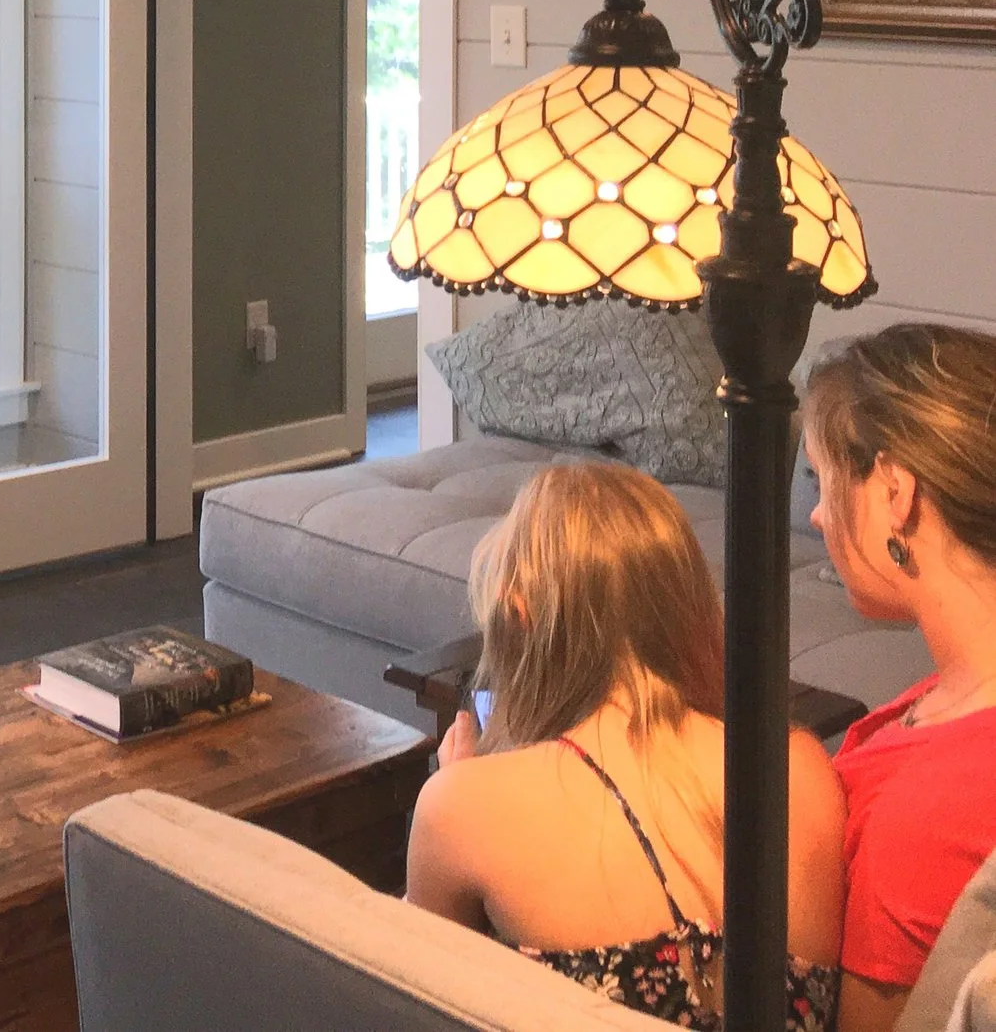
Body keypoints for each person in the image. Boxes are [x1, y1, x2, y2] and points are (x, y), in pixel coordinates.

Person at [408, 461, 843, 1030]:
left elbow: (412, 1000)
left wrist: (460, 784)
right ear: (690, 607)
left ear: (520, 619)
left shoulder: (462, 807)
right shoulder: (800, 767)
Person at [804, 325, 996, 1032]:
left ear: (895, 492)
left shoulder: (922, 819)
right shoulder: (956, 698)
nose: (820, 514)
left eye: (820, 481)